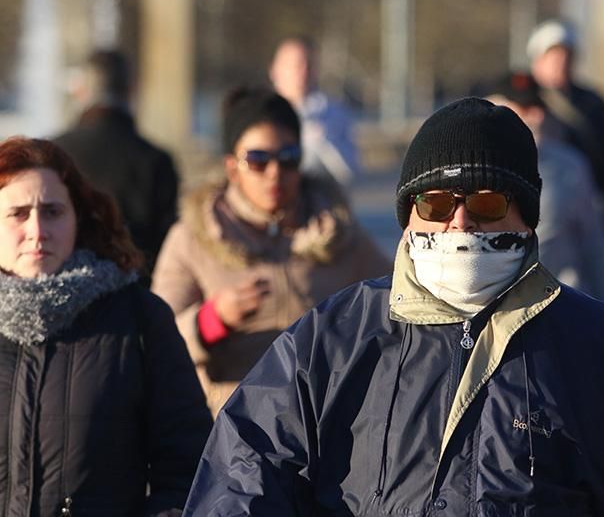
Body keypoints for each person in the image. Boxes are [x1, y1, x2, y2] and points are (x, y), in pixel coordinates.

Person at [183, 97, 604, 515]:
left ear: (527, 216)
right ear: (410, 217)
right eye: (437, 204)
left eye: (488, 203)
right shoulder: (331, 340)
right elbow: (241, 478)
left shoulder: (598, 353)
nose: (461, 224)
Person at [0, 137, 211, 516]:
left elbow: (189, 468)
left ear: (78, 219)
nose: (36, 230)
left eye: (52, 211)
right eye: (17, 213)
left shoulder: (140, 319)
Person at [152, 87, 389, 417]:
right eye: (258, 160)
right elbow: (156, 341)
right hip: (230, 431)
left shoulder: (338, 229)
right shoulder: (192, 238)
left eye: (288, 158)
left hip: (326, 425)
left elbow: (396, 303)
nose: (275, 172)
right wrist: (212, 320)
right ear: (232, 167)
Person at [484, 70, 604, 308]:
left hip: (559, 307)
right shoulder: (469, 170)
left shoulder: (571, 166)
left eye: (538, 108)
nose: (535, 117)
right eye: (522, 109)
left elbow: (592, 246)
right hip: (493, 308)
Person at [54, 48, 180, 277]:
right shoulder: (155, 160)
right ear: (131, 91)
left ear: (81, 91)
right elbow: (166, 246)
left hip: (61, 288)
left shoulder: (53, 153)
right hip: (134, 289)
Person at [527, 19, 604, 242]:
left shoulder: (592, 105)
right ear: (537, 59)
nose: (560, 63)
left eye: (566, 56)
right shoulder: (521, 99)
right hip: (539, 213)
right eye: (553, 56)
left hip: (584, 211)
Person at [269, 36, 359, 187]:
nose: (303, 71)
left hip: (319, 204)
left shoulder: (334, 113)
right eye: (296, 65)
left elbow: (350, 173)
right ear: (274, 69)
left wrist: (324, 143)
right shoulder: (261, 113)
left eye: (308, 65)